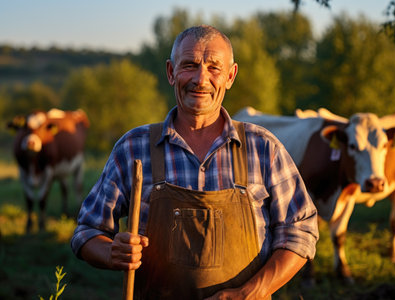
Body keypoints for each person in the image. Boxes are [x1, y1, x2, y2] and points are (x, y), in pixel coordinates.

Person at [71, 25, 319, 299]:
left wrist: (252, 292)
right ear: (170, 72)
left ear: (230, 76)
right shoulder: (134, 148)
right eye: (189, 65)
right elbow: (87, 231)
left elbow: (300, 230)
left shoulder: (263, 148)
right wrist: (110, 252)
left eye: (214, 67)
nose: (201, 79)